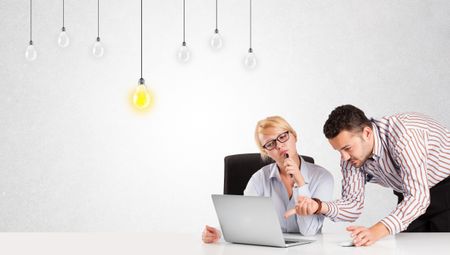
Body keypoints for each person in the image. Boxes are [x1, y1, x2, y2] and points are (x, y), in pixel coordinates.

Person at [287, 104, 450, 247]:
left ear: (367, 133)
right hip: (410, 195)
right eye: (339, 151)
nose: (344, 157)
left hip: (444, 188)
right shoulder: (351, 158)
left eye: (347, 148)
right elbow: (353, 205)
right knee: (409, 249)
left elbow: (419, 198)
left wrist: (376, 231)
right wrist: (319, 206)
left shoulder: (404, 136)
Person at [202, 116, 334, 243]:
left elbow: (309, 231)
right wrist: (219, 233)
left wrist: (300, 183)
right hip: (267, 248)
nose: (279, 146)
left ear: (294, 136)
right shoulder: (258, 179)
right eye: (270, 144)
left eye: (283, 137)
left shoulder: (323, 178)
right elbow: (244, 221)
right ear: (265, 152)